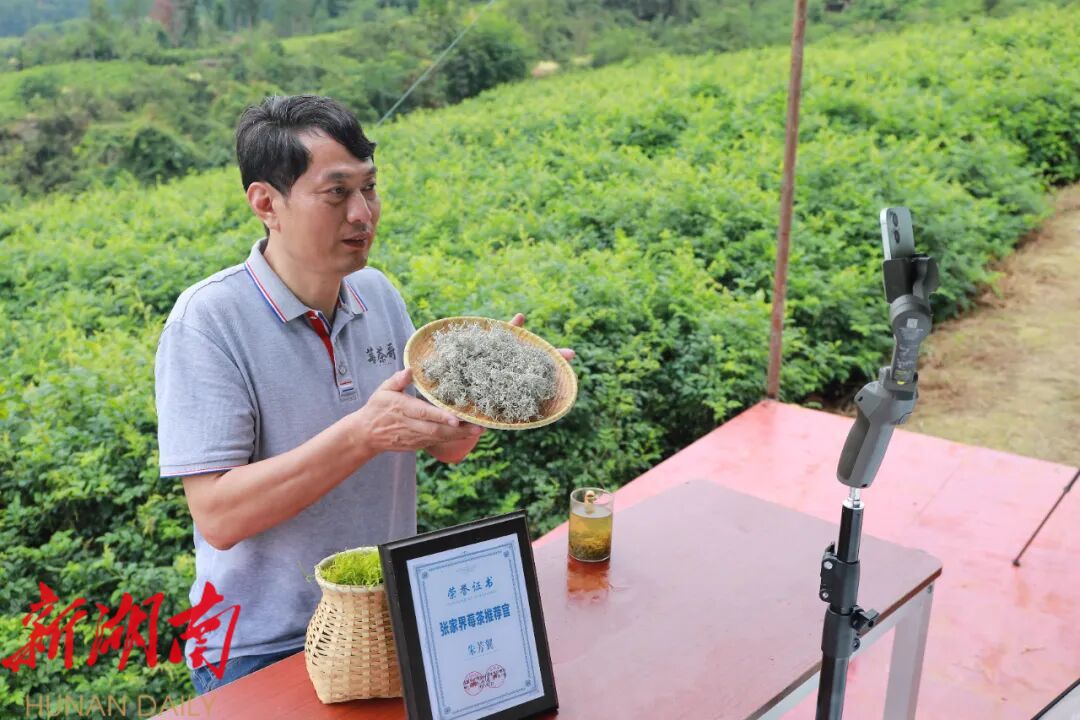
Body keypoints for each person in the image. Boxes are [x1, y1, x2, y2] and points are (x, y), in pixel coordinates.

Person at [154, 95, 571, 694]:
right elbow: (218, 516)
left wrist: (487, 390)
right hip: (262, 645)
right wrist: (361, 435)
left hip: (386, 617)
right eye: (337, 193)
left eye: (369, 188)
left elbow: (447, 447)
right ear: (266, 203)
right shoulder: (208, 322)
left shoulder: (376, 293)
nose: (362, 213)